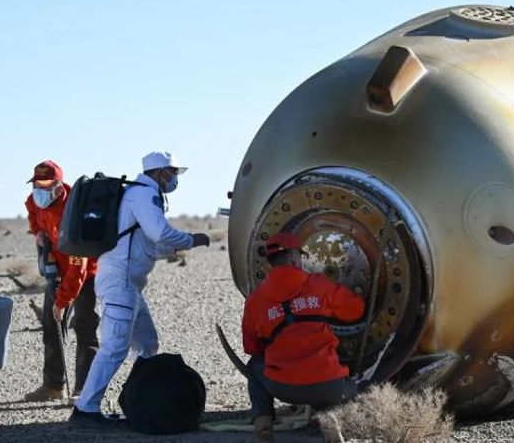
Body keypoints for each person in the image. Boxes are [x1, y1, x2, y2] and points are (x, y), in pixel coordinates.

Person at [70, 151, 211, 426]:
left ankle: (139, 399)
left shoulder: (139, 195)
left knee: (147, 344)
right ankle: (85, 409)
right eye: (171, 173)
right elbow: (160, 234)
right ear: (159, 173)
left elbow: (151, 245)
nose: (173, 179)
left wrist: (181, 244)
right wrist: (190, 239)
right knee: (114, 347)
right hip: (120, 282)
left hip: (128, 284)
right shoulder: (145, 196)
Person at [242, 232, 365, 442]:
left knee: (254, 365)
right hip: (330, 387)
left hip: (282, 388)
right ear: (294, 259)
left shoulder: (256, 300)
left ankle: (263, 425)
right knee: (360, 381)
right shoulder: (320, 285)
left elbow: (251, 346)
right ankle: (333, 421)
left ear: (271, 263)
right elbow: (356, 310)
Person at [23, 160, 99, 402]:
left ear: (58, 185)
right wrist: (38, 232)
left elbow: (80, 267)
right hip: (54, 271)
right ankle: (53, 386)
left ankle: (84, 390)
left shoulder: (73, 210)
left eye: (46, 185)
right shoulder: (34, 200)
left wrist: (63, 300)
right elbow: (33, 215)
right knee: (51, 327)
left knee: (84, 328)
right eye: (37, 184)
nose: (41, 191)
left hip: (86, 275)